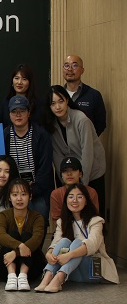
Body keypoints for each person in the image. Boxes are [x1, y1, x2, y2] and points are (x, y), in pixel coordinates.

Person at [35, 184, 118, 292]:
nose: (74, 200)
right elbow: (56, 242)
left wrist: (69, 255)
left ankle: (58, 279)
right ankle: (47, 278)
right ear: (66, 201)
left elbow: (92, 245)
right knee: (64, 241)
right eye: (70, 197)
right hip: (73, 272)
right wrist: (49, 254)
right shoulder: (62, 222)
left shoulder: (96, 221)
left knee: (78, 243)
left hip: (94, 270)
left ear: (86, 201)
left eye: (79, 197)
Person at [44, 85, 106, 219]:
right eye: (53, 103)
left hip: (92, 171)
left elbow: (87, 153)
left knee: (93, 214)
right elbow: (57, 155)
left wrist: (81, 183)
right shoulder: (51, 124)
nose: (57, 107)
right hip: (69, 171)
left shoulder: (81, 120)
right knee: (70, 215)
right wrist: (65, 180)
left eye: (60, 101)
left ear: (67, 100)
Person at [4, 96, 53, 222]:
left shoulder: (41, 135)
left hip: (37, 189)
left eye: (22, 111)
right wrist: (14, 189)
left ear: (29, 113)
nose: (18, 115)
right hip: (13, 190)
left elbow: (45, 167)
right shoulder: (4, 136)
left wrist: (32, 191)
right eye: (14, 111)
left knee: (39, 220)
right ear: (9, 114)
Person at [0, 178, 46, 291]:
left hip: (32, 269)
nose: (19, 198)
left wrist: (15, 252)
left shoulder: (37, 217)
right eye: (15, 194)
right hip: (5, 267)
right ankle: (12, 276)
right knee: (12, 234)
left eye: (23, 194)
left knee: (27, 236)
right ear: (9, 197)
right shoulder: (3, 215)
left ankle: (23, 275)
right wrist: (20, 246)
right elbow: (1, 236)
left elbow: (37, 239)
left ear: (30, 196)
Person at [49, 157, 100, 229]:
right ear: (61, 175)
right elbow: (56, 218)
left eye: (73, 170)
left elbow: (94, 216)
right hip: (65, 229)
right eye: (65, 171)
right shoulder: (56, 194)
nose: (69, 174)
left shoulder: (91, 192)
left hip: (88, 229)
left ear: (80, 174)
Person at [63, 55, 106, 136]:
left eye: (74, 65)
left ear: (82, 70)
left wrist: (87, 138)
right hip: (60, 143)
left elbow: (100, 124)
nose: (70, 69)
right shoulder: (57, 96)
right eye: (66, 65)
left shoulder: (94, 95)